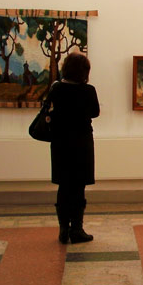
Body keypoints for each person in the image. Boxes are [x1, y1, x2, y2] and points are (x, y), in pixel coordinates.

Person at [49, 52, 100, 244]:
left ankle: (63, 229)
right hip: (81, 142)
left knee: (64, 185)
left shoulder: (56, 88)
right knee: (78, 186)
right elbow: (95, 112)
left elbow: (50, 109)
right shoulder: (88, 90)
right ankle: (77, 229)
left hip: (60, 142)